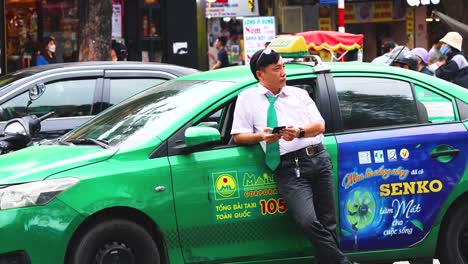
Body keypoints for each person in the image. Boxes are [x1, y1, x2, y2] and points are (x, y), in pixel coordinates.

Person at [231, 48, 354, 264]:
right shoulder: (247, 98)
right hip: (288, 167)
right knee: (307, 221)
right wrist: (261, 136)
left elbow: (320, 125)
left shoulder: (299, 94)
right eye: (277, 68)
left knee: (328, 222)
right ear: (260, 74)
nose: (283, 72)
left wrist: (300, 132)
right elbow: (239, 135)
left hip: (318, 158)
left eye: (284, 67)